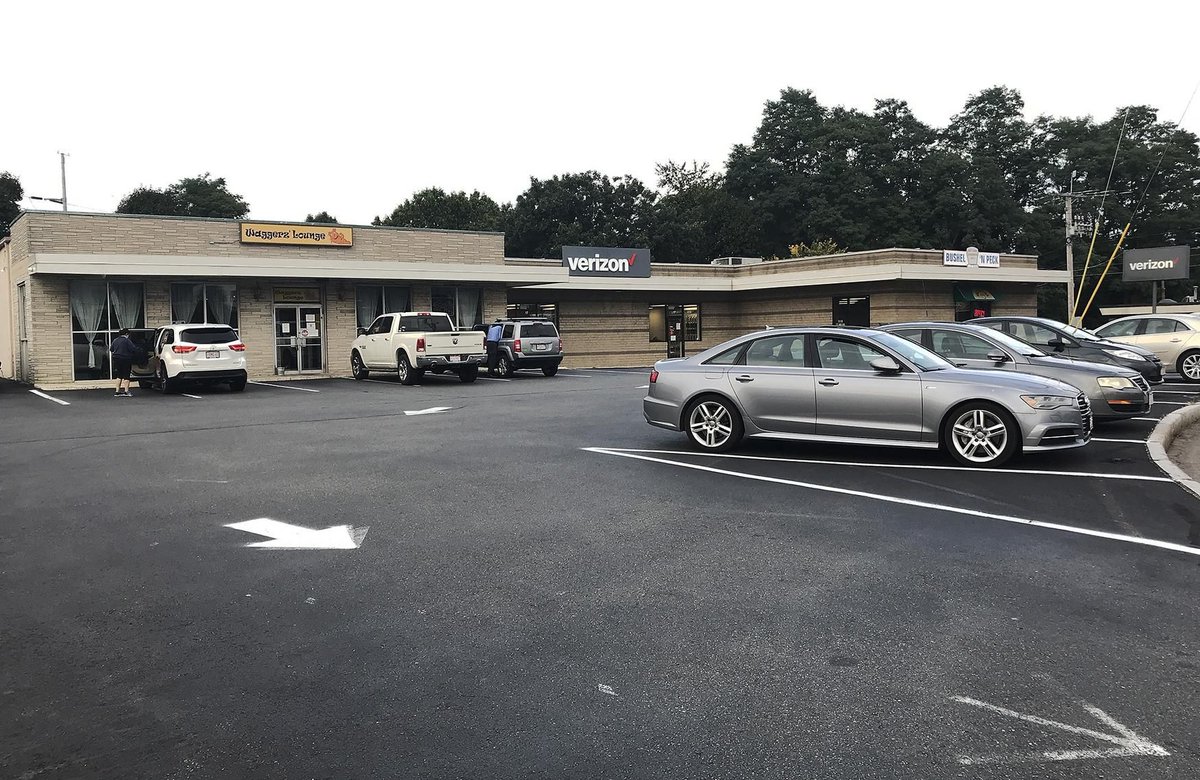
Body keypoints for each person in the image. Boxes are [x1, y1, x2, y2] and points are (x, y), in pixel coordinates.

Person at [108, 328, 142, 397]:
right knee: (126, 375)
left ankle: (117, 391)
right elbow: (133, 349)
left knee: (119, 375)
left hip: (116, 359)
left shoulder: (115, 340)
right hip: (126, 359)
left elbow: (111, 349)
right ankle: (126, 391)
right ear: (126, 334)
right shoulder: (127, 340)